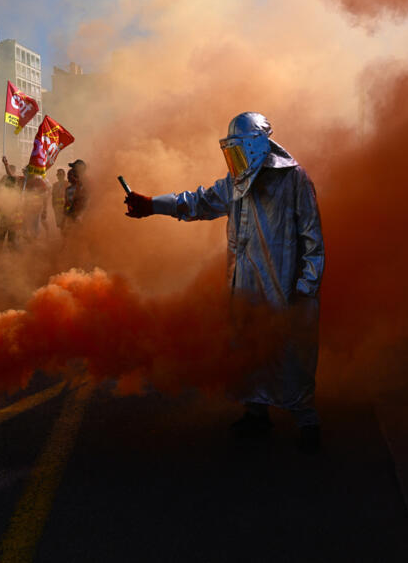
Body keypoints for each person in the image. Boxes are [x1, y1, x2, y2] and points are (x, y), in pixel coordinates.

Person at [124, 112, 325, 451]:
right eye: (230, 152)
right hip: (244, 283)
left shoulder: (294, 180)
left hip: (284, 285)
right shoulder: (235, 182)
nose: (235, 160)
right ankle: (256, 413)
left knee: (290, 351)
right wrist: (152, 205)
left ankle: (306, 420)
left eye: (238, 151)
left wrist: (306, 287)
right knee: (248, 345)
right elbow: (198, 202)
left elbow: (312, 238)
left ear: (256, 145)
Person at [63, 160, 88, 228]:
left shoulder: (87, 184)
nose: (72, 171)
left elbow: (89, 202)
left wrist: (81, 215)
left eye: (74, 169)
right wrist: (66, 213)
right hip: (73, 217)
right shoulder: (69, 189)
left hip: (84, 219)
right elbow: (68, 204)